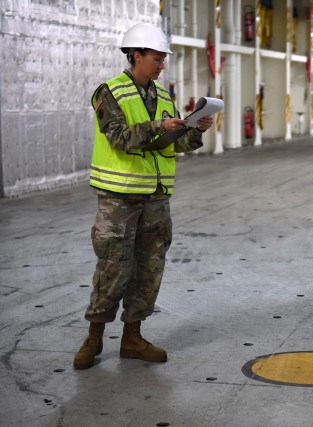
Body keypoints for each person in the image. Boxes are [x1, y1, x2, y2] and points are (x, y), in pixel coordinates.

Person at [73, 23, 214, 370]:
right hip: (119, 199)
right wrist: (158, 128)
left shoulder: (164, 97)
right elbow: (118, 136)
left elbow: (171, 144)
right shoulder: (108, 92)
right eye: (156, 57)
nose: (161, 64)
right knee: (112, 268)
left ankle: (132, 338)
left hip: (155, 198)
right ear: (136, 55)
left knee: (149, 269)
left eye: (163, 58)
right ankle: (93, 338)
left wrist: (193, 131)